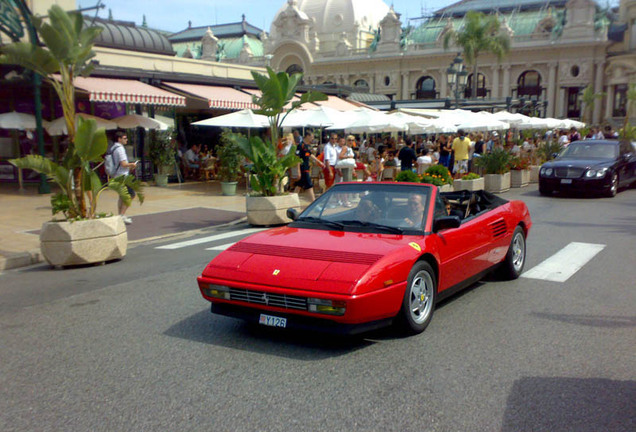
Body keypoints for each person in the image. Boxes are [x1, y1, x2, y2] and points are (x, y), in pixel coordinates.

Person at [110, 130, 138, 224]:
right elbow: (123, 163)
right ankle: (122, 215)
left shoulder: (113, 148)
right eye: (125, 138)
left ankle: (120, 215)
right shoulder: (120, 149)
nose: (127, 140)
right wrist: (132, 165)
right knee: (131, 194)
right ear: (119, 139)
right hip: (123, 176)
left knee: (122, 196)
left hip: (117, 175)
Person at [293, 131, 324, 202]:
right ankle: (313, 202)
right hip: (303, 168)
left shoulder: (307, 146)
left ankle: (292, 200)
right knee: (309, 185)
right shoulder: (300, 146)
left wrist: (319, 162)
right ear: (307, 136)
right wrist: (298, 171)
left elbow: (310, 155)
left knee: (299, 185)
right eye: (312, 137)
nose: (312, 139)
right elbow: (297, 158)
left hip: (307, 167)